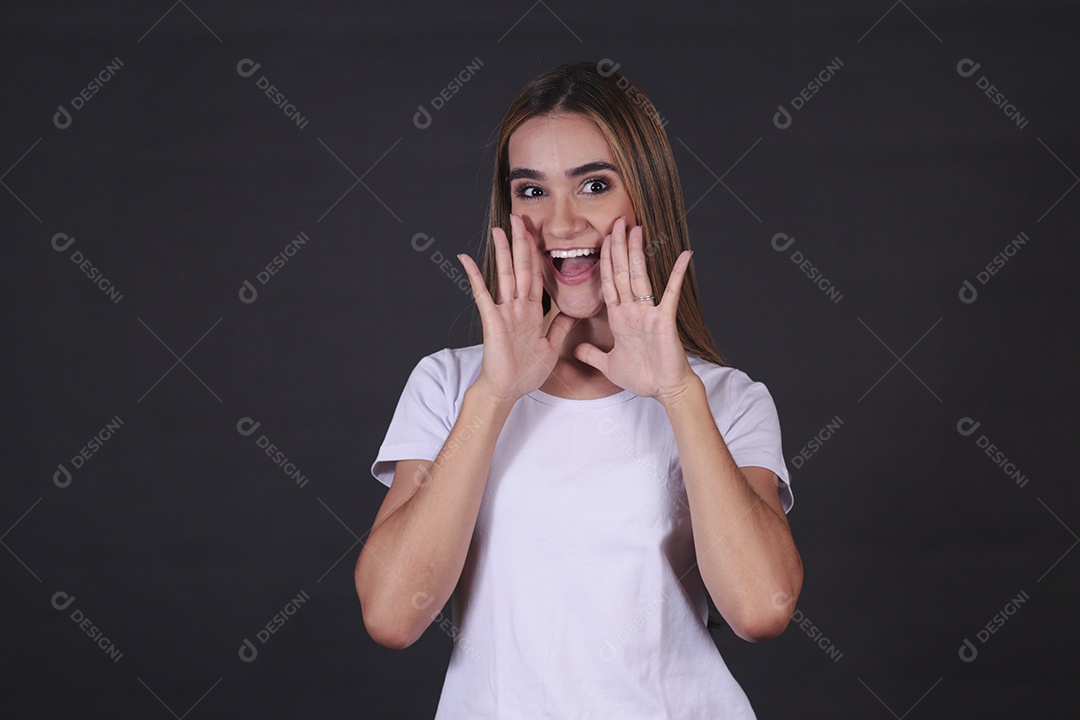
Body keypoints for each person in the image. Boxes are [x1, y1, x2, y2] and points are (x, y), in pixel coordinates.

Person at [355, 61, 803, 718]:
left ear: (645, 198)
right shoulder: (449, 385)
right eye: (532, 191)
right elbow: (392, 615)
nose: (560, 225)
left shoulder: (725, 398)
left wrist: (677, 394)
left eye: (594, 185)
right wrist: (494, 396)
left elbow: (761, 609)